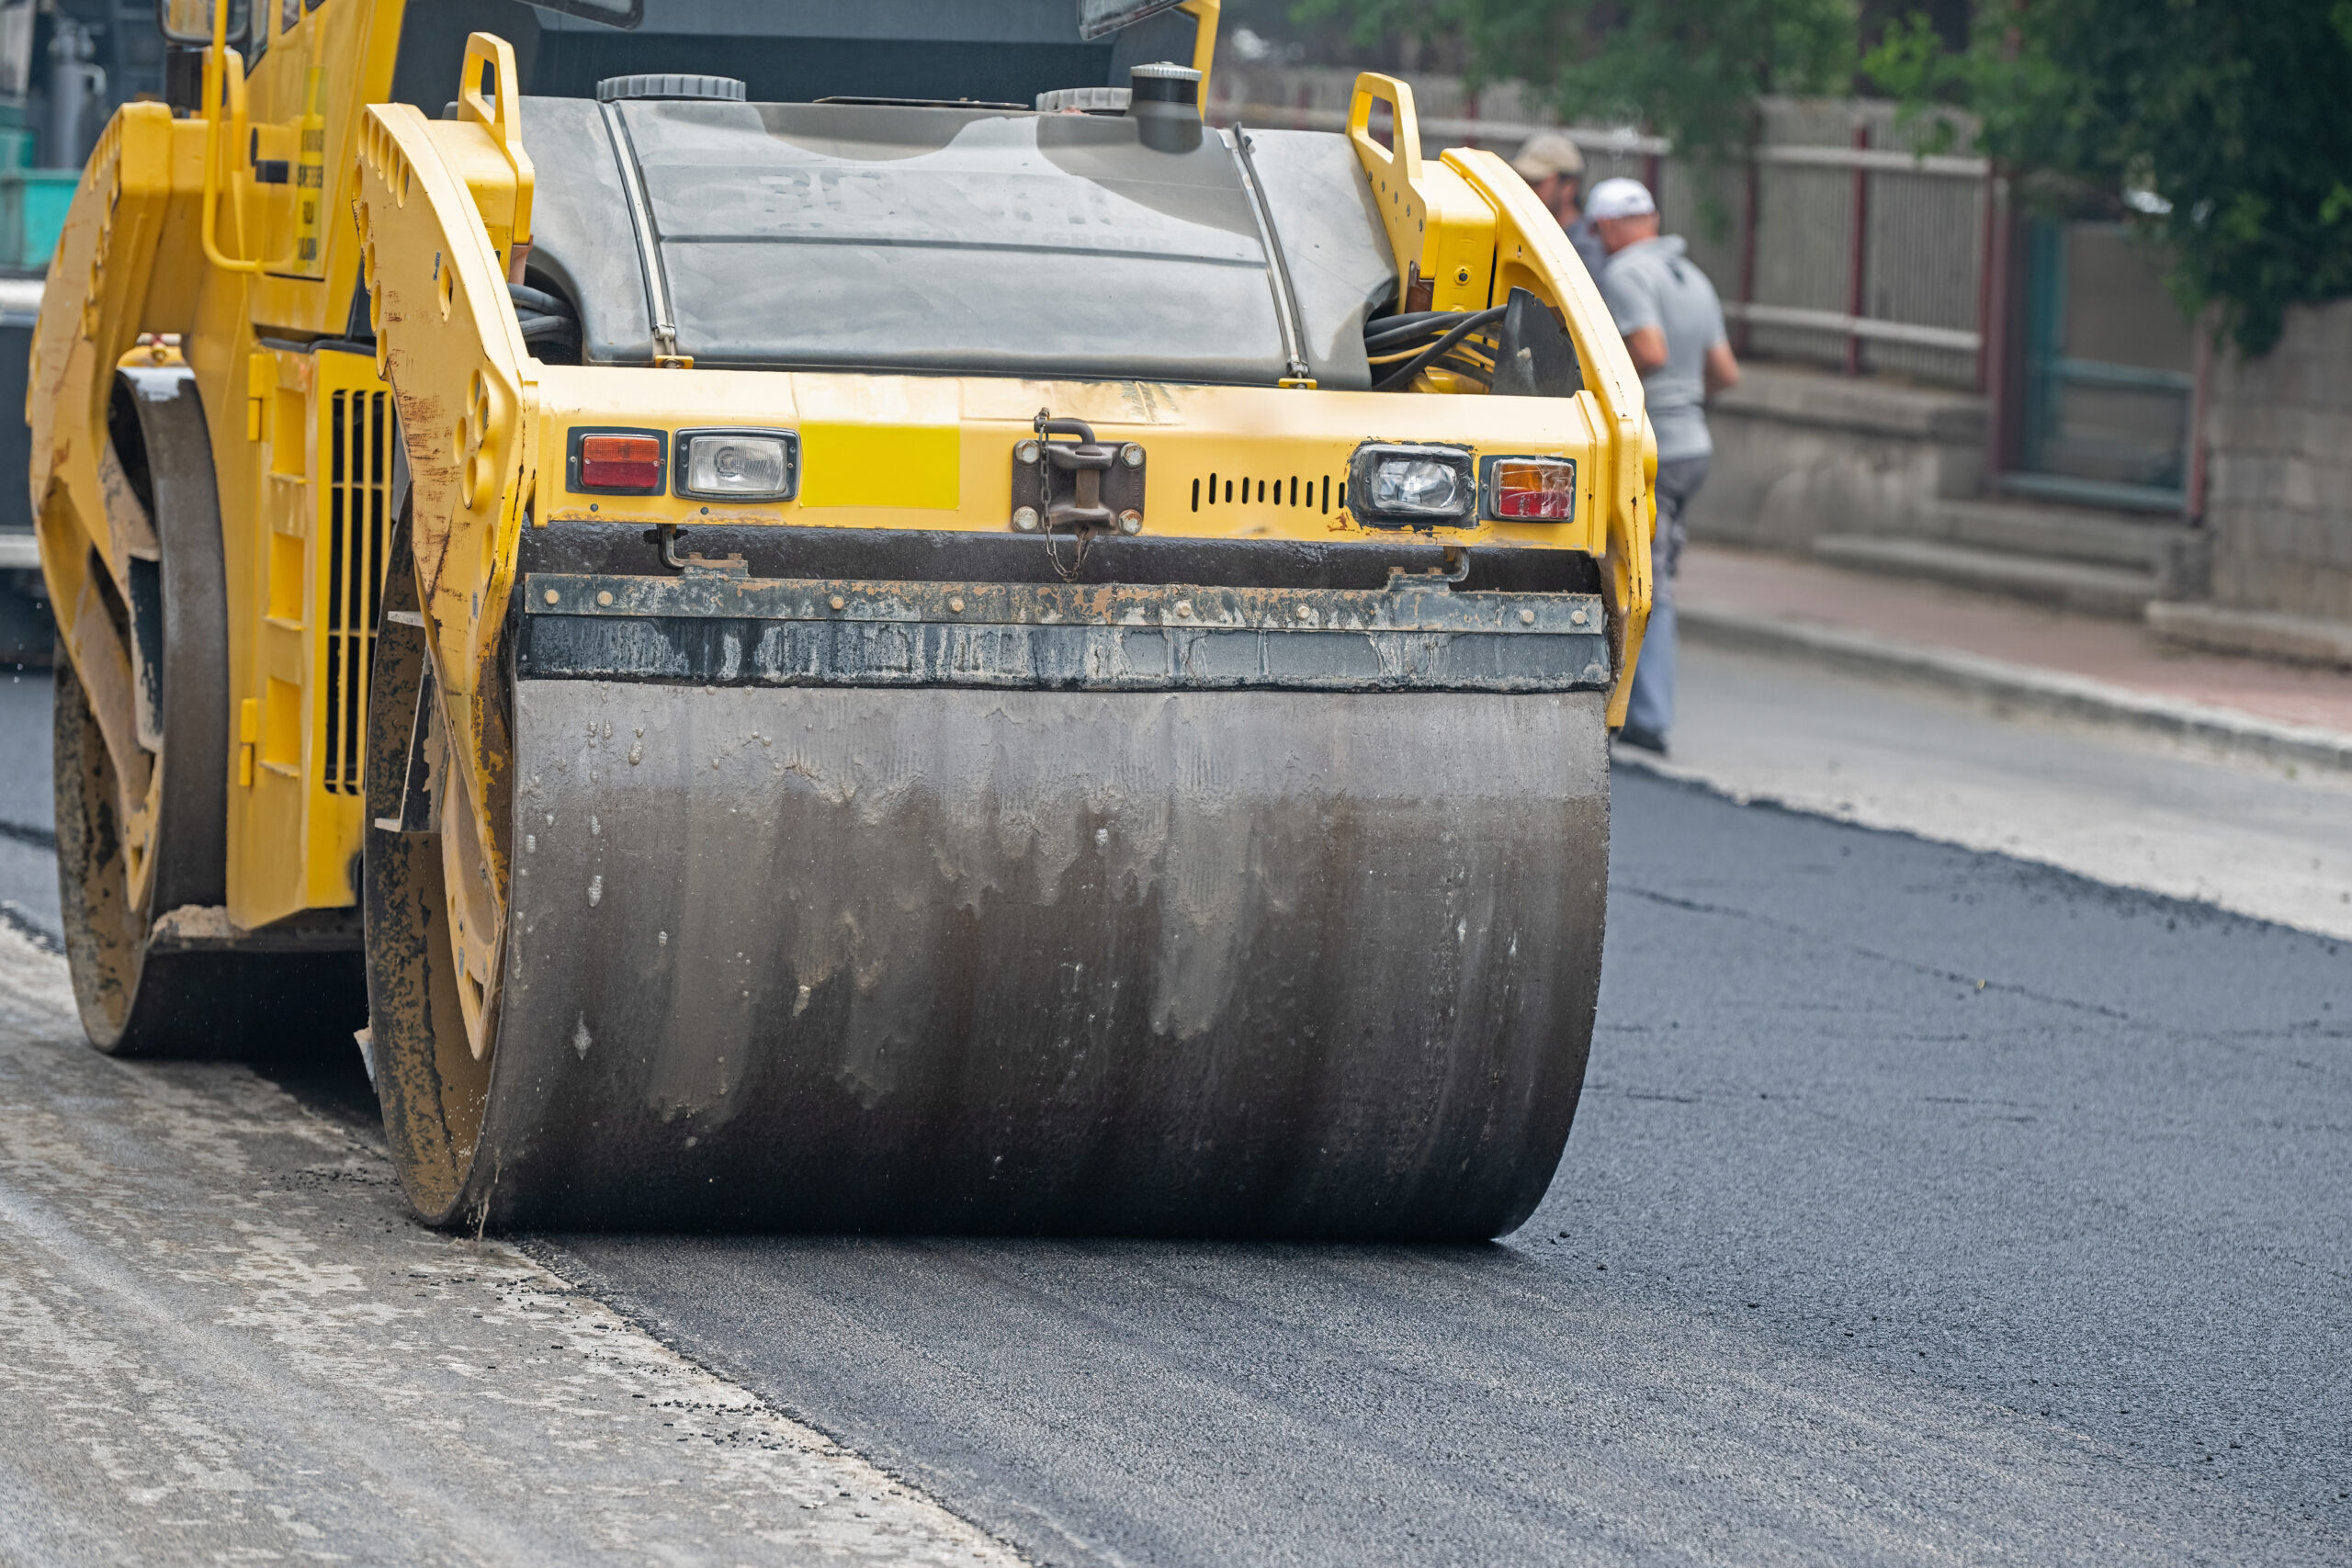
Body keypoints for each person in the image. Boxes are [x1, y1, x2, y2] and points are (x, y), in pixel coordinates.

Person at [1587, 176, 1740, 757]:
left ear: (1607, 226)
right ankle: (1635, 705)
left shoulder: (1627, 273)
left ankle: (1643, 715)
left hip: (1656, 449)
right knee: (1653, 572)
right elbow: (1724, 372)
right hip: (1693, 442)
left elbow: (1648, 352)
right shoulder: (1693, 277)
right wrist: (1686, 401)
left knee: (1642, 580)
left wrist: (1604, 388)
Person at [1511, 132, 1607, 279]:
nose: (1526, 188)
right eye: (1522, 179)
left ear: (1569, 185)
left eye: (1536, 181)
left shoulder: (1583, 251)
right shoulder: (1531, 236)